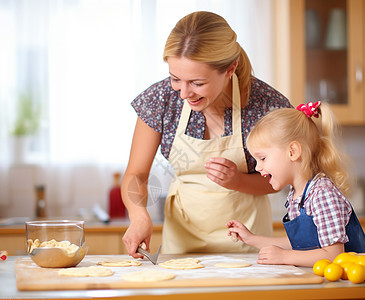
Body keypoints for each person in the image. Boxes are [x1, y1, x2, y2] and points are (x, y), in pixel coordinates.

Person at [122, 11, 292, 258]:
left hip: (250, 249)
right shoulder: (161, 99)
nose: (184, 93)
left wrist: (238, 181)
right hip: (181, 248)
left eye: (197, 83)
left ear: (230, 68)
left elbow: (282, 179)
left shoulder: (265, 105)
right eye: (175, 79)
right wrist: (138, 216)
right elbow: (136, 174)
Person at [227, 101, 365, 267]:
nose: (258, 167)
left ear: (292, 152)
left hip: (348, 285)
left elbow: (334, 256)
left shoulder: (322, 194)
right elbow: (304, 243)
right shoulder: (298, 195)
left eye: (263, 158)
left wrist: (285, 257)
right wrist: (251, 239)